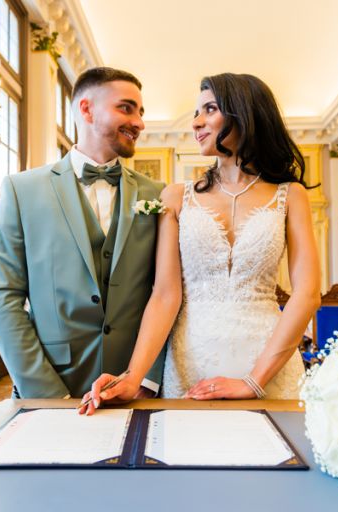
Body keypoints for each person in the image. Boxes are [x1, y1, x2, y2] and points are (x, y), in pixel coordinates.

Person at [80, 72, 320, 413]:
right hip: (190, 361)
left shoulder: (290, 196)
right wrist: (133, 377)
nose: (196, 123)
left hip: (268, 364)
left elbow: (307, 294)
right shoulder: (177, 197)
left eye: (209, 109)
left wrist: (254, 381)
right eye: (196, 113)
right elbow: (165, 295)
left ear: (244, 113)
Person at [0, 67, 166, 398]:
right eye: (126, 108)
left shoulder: (157, 195)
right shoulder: (22, 191)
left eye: (141, 112)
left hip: (134, 389)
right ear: (86, 109)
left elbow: (168, 293)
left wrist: (146, 381)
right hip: (52, 386)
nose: (139, 122)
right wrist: (46, 394)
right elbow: (1, 296)